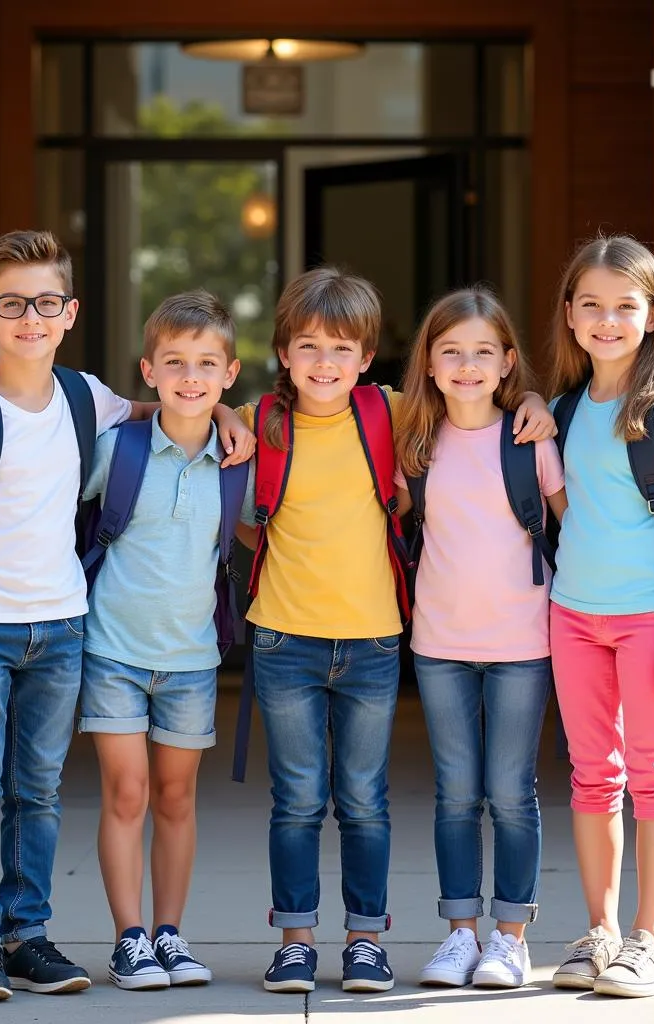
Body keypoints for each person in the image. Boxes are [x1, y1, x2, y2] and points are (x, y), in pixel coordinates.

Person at [0, 231, 252, 1003]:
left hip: (62, 627)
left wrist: (226, 409)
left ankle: (27, 934)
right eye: (13, 304)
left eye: (46, 303)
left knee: (39, 789)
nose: (31, 318)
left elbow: (168, 401)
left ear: (70, 313)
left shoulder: (83, 397)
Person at [236, 267, 556, 994]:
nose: (325, 363)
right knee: (296, 799)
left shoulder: (390, 414)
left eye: (343, 349)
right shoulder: (263, 423)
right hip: (283, 637)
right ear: (283, 352)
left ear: (369, 356)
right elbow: (208, 449)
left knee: (363, 800)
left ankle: (365, 941)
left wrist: (534, 397)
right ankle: (294, 939)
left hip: (376, 639)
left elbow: (479, 398)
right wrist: (225, 414)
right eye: (309, 347)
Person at [546, 235, 654, 998]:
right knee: (591, 774)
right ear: (571, 317)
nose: (607, 319)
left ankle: (653, 940)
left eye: (624, 305)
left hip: (650, 618)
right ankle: (600, 932)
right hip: (574, 614)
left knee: (653, 771)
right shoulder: (565, 407)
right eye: (592, 305)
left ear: (652, 316)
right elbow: (568, 509)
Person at [392, 287, 567, 991]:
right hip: (439, 640)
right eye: (451, 352)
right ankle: (460, 932)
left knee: (511, 791)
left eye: (482, 353)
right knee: (455, 792)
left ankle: (510, 936)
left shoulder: (529, 439)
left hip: (523, 639)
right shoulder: (416, 442)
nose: (467, 365)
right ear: (429, 364)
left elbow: (573, 522)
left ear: (507, 363)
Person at [78, 291, 253, 991]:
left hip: (191, 660)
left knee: (176, 799)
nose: (190, 376)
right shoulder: (116, 449)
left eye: (206, 363)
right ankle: (129, 938)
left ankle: (170, 934)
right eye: (175, 362)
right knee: (127, 794)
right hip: (112, 649)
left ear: (230, 373)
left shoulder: (237, 459)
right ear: (148, 371)